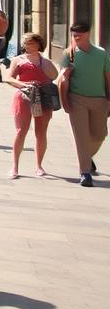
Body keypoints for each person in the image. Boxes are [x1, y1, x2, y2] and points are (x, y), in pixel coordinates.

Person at [59, 21, 109, 187]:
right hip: (77, 99)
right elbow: (63, 79)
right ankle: (85, 173)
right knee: (81, 137)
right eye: (74, 35)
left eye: (79, 35)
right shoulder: (70, 54)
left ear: (88, 34)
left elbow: (108, 77)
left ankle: (88, 156)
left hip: (99, 99)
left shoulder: (101, 53)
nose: (76, 38)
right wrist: (64, 101)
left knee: (100, 134)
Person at [2, 32, 58, 179]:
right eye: (26, 43)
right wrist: (24, 85)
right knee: (21, 131)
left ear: (39, 44)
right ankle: (14, 166)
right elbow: (8, 78)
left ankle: (39, 166)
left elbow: (54, 76)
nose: (28, 46)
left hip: (43, 97)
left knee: (41, 132)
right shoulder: (18, 60)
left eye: (32, 43)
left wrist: (44, 64)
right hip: (24, 97)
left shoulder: (45, 61)